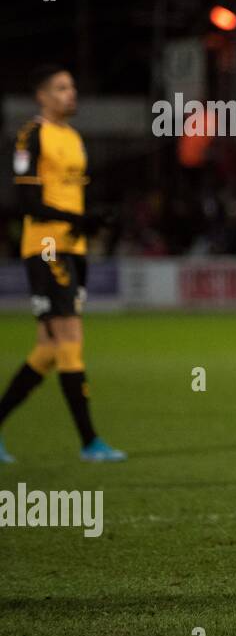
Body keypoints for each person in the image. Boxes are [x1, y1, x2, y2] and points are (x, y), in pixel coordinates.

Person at [0, 66, 125, 464]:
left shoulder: (72, 137)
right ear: (41, 96)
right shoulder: (31, 135)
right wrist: (78, 221)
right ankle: (90, 441)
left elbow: (72, 197)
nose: (70, 94)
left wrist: (93, 219)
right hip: (47, 244)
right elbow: (27, 203)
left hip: (74, 248)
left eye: (72, 87)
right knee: (70, 340)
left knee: (49, 349)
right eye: (61, 87)